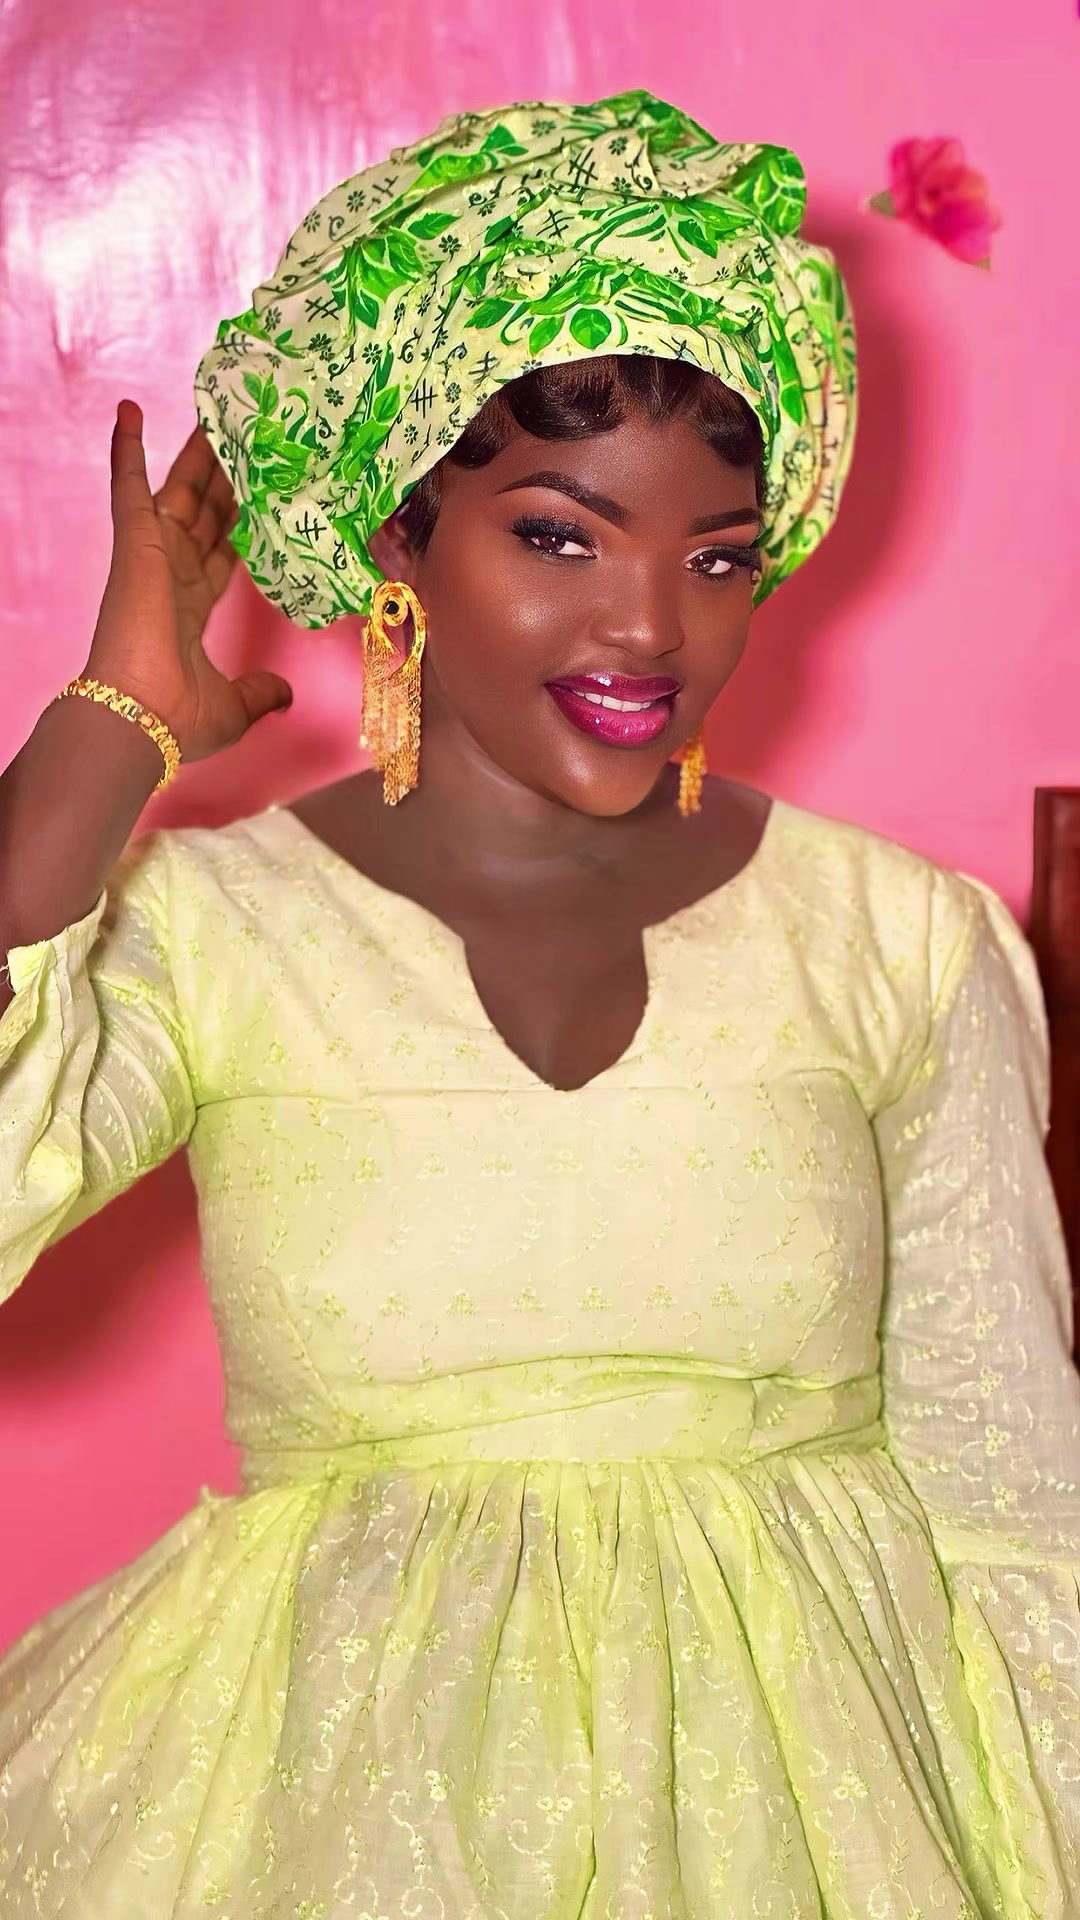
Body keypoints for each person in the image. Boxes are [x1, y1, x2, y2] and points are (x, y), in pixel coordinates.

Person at [1, 85, 1078, 1920]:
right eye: (563, 537)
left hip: (821, 1826)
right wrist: (108, 739)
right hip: (324, 1813)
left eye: (717, 554)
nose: (652, 626)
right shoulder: (214, 930)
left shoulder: (905, 940)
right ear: (397, 539)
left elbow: (1014, 1499)